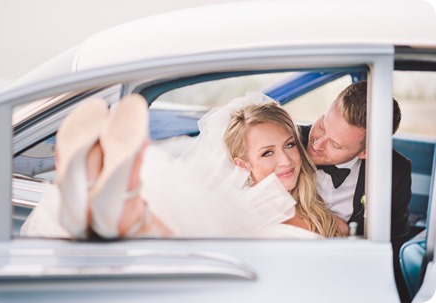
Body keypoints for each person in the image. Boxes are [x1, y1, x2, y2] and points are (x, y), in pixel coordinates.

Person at [22, 92, 345, 240]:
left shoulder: (318, 205)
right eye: (267, 153)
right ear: (240, 163)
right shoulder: (236, 206)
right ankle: (124, 208)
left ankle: (116, 205)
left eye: (290, 145)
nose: (286, 160)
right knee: (189, 232)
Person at [299, 81, 411, 301]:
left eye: (336, 145)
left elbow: (392, 245)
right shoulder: (286, 141)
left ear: (365, 152)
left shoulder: (395, 170)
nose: (317, 144)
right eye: (322, 124)